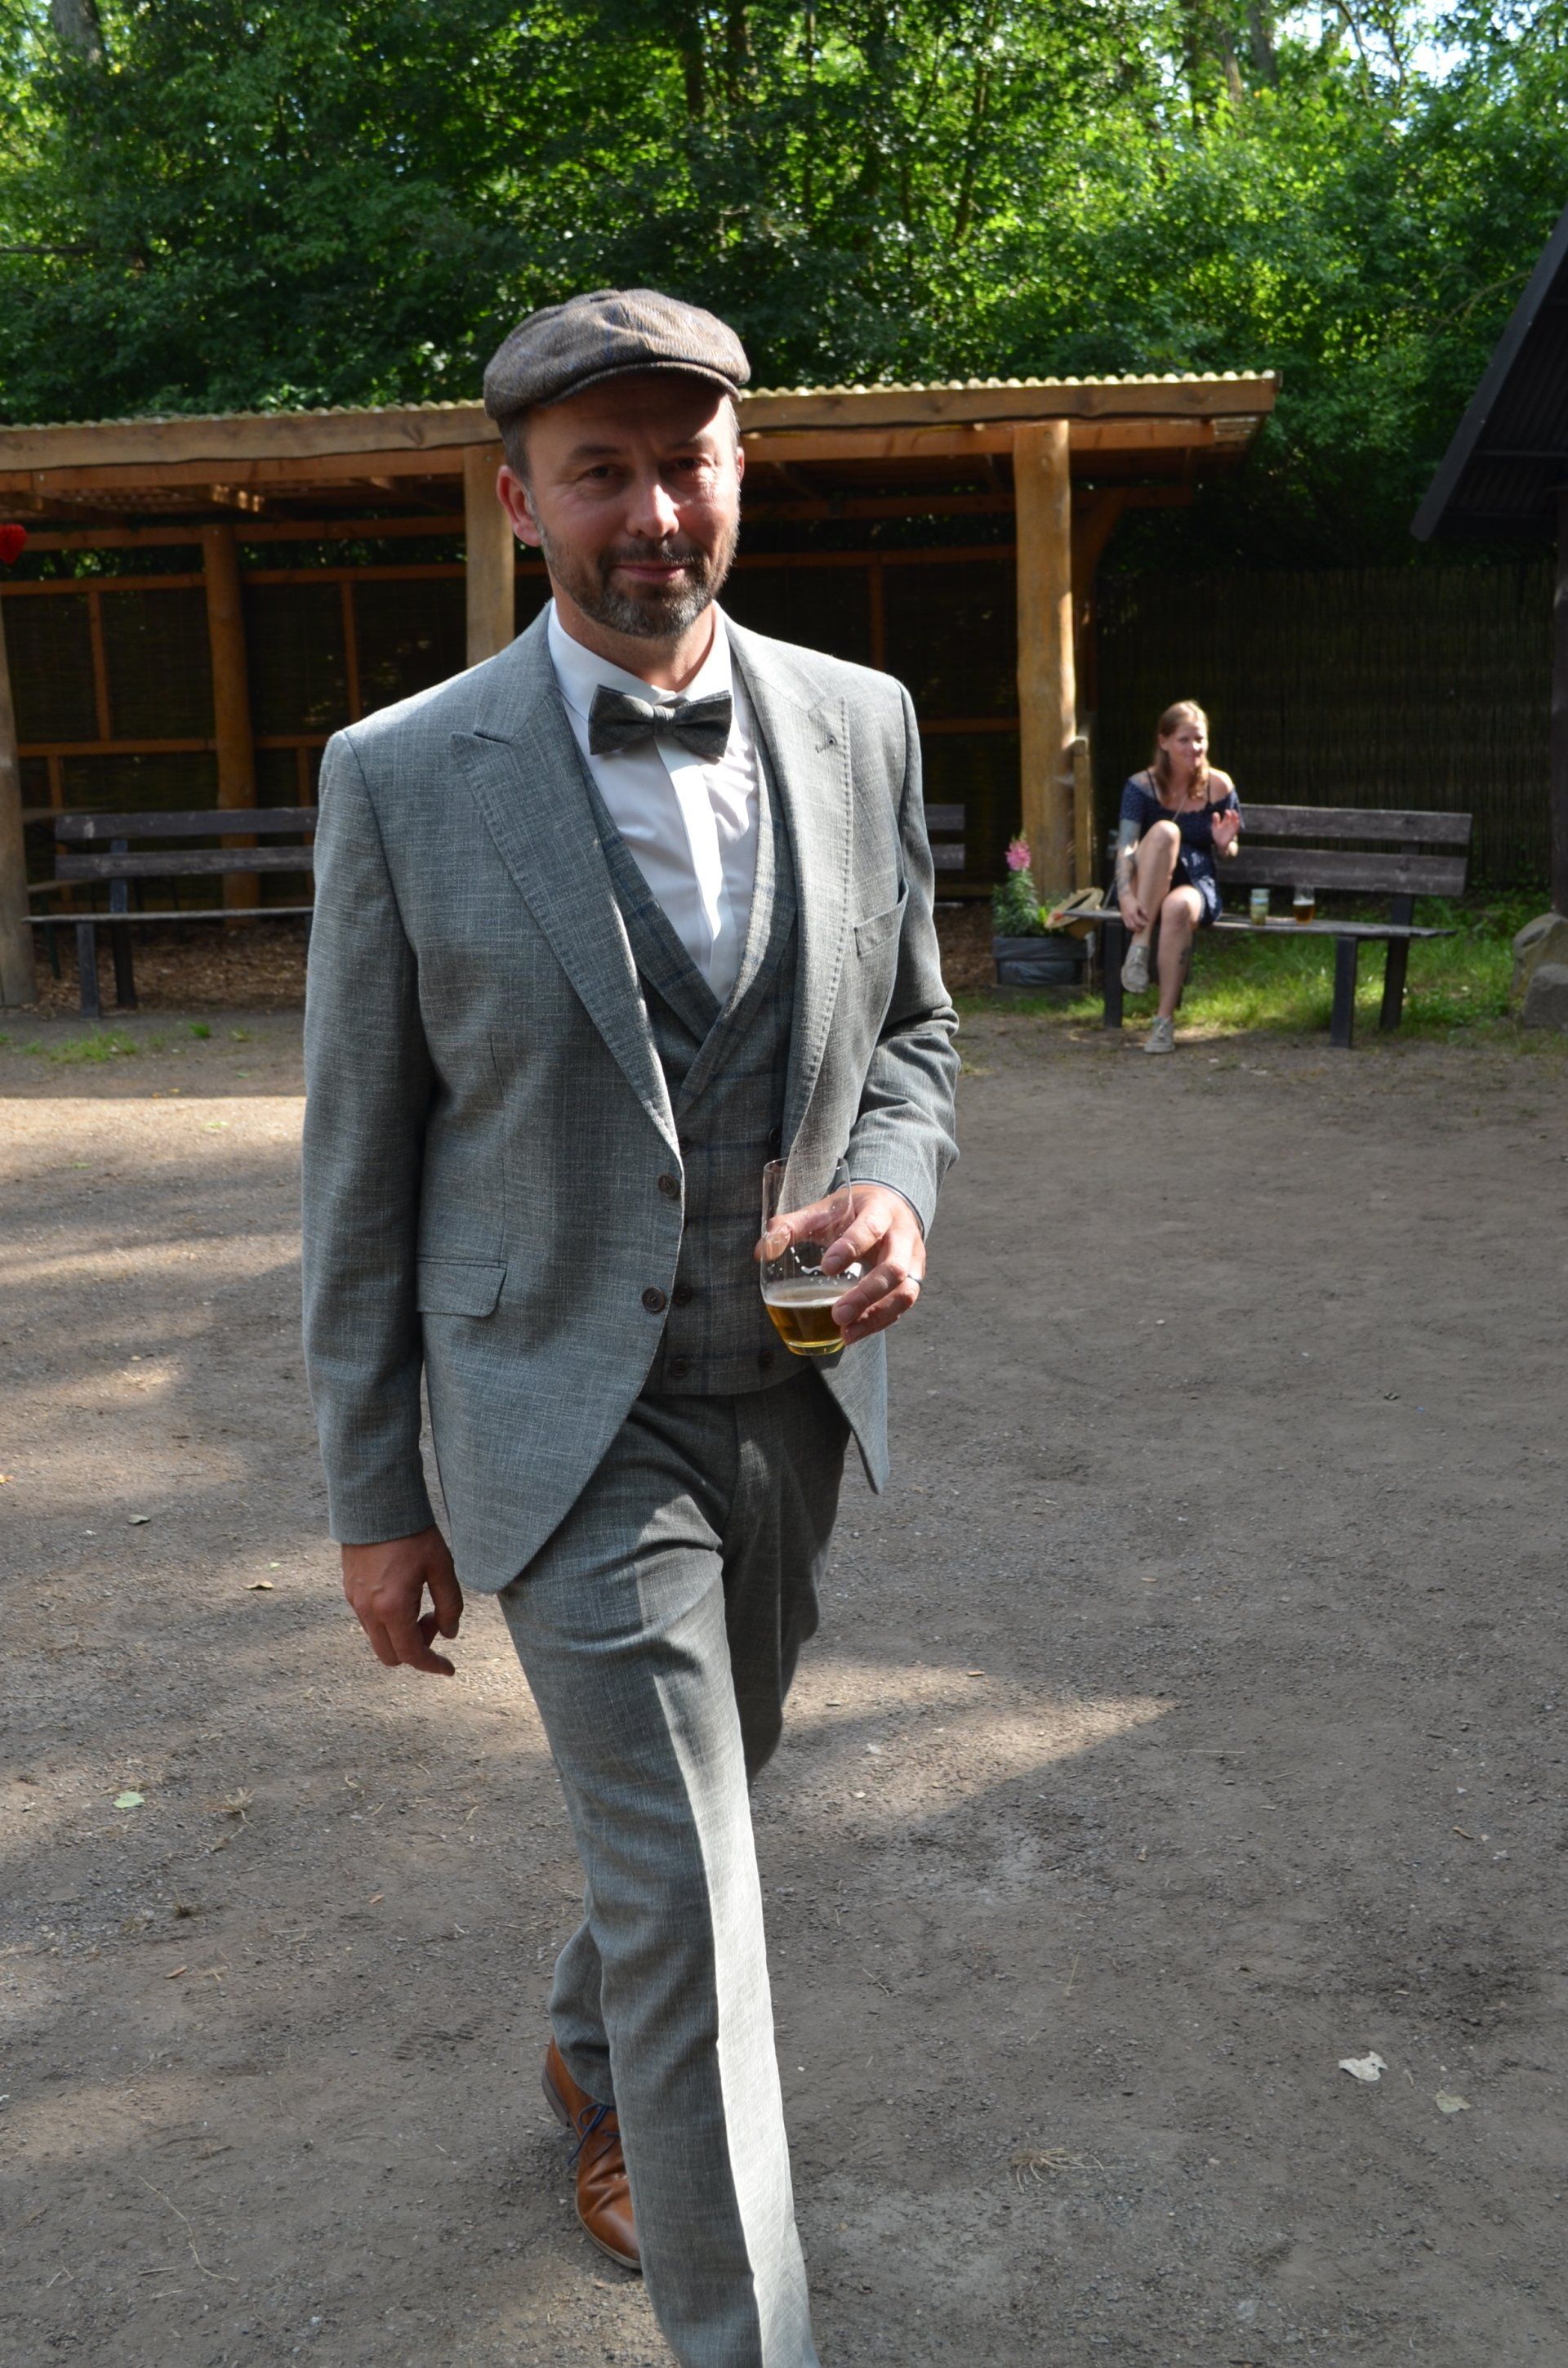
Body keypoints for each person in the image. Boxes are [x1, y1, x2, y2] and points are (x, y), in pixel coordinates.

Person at [300, 287, 960, 2368]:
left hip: (795, 1398)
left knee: (710, 1795)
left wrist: (899, 1189)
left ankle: (587, 2050)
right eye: (603, 473)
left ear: (741, 471)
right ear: (522, 503)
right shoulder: (400, 776)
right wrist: (374, 1495)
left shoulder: (862, 724)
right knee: (696, 1894)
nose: (654, 512)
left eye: (688, 463)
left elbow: (918, 1038)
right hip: (559, 1422)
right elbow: (358, 1165)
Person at [1113, 698, 1241, 1054]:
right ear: (1164, 742)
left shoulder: (1219, 786)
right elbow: (1126, 846)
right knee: (1166, 832)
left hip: (1195, 879)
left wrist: (1225, 845)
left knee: (1178, 908)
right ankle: (1140, 947)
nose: (1194, 748)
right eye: (1184, 739)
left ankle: (1163, 1022)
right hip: (1146, 881)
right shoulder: (1141, 786)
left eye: (1200, 739)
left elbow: (1231, 851)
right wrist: (1125, 896)